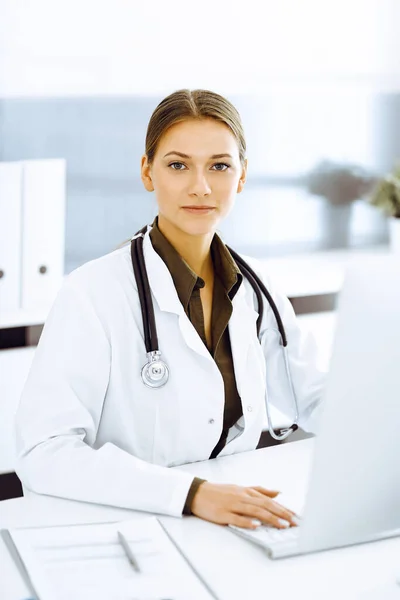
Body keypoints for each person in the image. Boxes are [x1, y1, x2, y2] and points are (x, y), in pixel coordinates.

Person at [15, 89, 325, 531]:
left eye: (219, 165)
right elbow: (43, 451)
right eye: (178, 165)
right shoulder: (93, 292)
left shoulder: (259, 288)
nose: (200, 186)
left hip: (234, 520)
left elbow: (313, 394)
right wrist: (191, 494)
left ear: (241, 176)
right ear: (147, 171)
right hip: (124, 528)